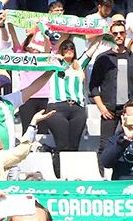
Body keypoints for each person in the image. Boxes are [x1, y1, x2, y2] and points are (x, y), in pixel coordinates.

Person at [89, 20, 133, 162]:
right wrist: (102, 108)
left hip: (131, 111)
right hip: (109, 110)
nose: (118, 36)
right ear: (110, 35)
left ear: (125, 34)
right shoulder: (102, 58)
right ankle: (103, 178)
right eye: (115, 33)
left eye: (121, 33)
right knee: (105, 145)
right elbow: (93, 86)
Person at [38, 37, 92, 174]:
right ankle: (58, 173)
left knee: (74, 145)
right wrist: (46, 36)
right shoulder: (55, 63)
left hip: (77, 108)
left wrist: (102, 32)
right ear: (61, 50)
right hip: (58, 106)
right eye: (65, 48)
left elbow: (93, 48)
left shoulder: (79, 64)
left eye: (71, 47)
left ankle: (72, 174)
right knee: (62, 143)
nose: (69, 50)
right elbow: (46, 53)